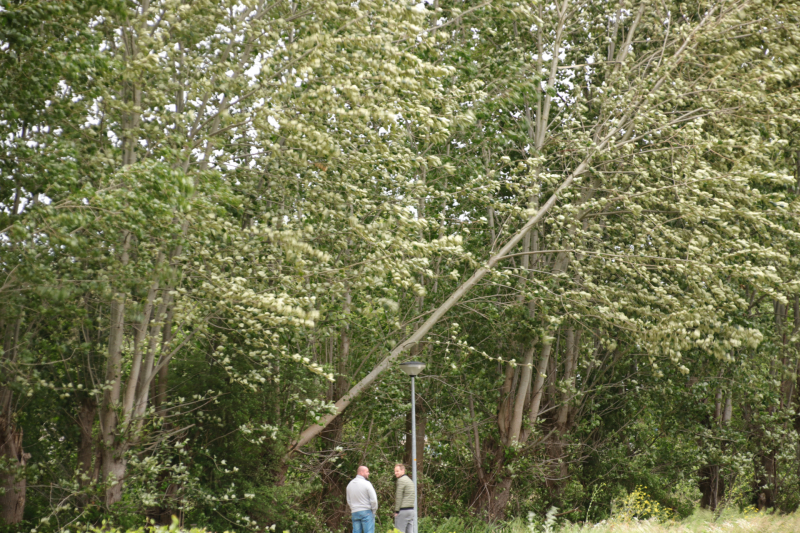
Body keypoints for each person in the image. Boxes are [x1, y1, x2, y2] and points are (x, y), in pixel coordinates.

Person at [346, 465, 378, 533]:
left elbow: (348, 500)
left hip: (355, 512)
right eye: (367, 472)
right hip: (366, 512)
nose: (368, 473)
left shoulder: (349, 484)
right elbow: (374, 500)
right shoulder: (367, 484)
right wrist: (374, 510)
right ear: (361, 472)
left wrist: (353, 508)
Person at [393, 464, 415, 533]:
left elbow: (399, 497)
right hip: (411, 511)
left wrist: (397, 511)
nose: (395, 473)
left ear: (403, 470)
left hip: (403, 510)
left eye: (397, 471)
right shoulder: (410, 481)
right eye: (395, 471)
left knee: (399, 531)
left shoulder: (401, 480)